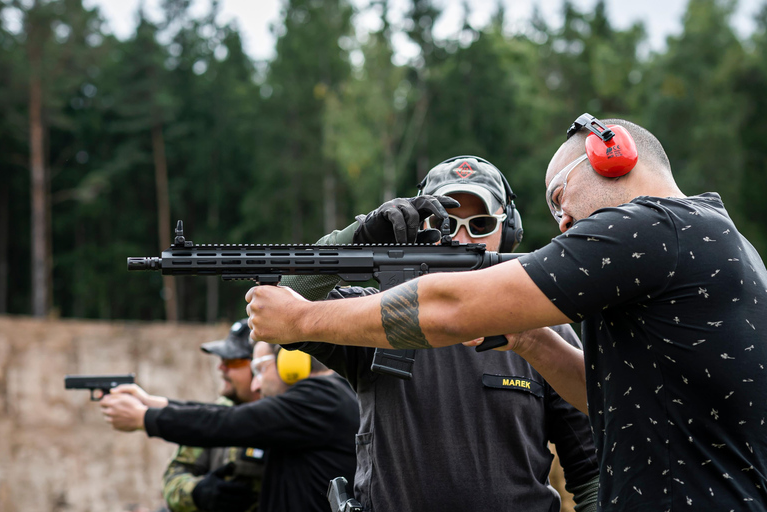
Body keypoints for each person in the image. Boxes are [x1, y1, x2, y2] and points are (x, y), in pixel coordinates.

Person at [246, 118, 767, 511]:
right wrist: (361, 237)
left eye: (560, 196)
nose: (564, 223)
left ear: (610, 155)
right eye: (445, 221)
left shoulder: (647, 230)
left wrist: (304, 324)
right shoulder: (709, 237)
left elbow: (447, 309)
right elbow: (611, 404)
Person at [276, 155, 600, 512]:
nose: (461, 238)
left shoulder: (545, 330)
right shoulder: (369, 315)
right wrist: (358, 237)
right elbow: (283, 304)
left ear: (506, 234)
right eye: (444, 223)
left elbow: (591, 474)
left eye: (479, 224)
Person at [100, 339, 359, 512]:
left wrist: (144, 418)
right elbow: (227, 413)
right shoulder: (327, 398)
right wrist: (157, 404)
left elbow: (227, 422)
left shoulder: (321, 398)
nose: (256, 384)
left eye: (260, 369)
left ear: (291, 362)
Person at [162, 319, 264, 512]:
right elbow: (174, 474)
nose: (221, 368)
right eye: (222, 360)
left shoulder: (287, 416)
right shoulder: (215, 414)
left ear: (258, 365)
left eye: (233, 360)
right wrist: (197, 492)